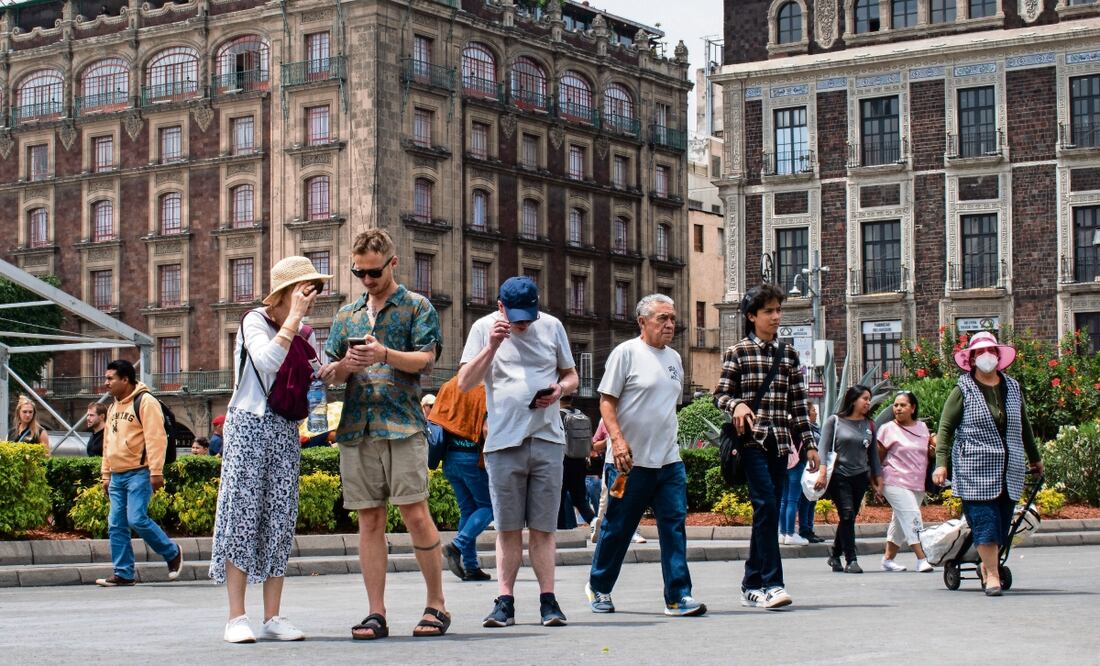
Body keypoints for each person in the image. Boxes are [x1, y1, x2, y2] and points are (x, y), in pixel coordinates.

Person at [319, 229, 450, 638]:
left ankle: (437, 605)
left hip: (404, 424)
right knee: (369, 520)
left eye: (374, 272)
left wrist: (384, 354)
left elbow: (426, 362)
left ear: (392, 263)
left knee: (415, 513)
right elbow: (329, 372)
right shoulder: (347, 315)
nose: (367, 280)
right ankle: (376, 612)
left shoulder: (417, 307)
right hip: (357, 427)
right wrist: (346, 366)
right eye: (359, 273)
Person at [210, 255, 330, 643]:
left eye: (313, 292)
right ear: (283, 293)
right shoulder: (253, 320)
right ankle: (236, 617)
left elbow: (318, 376)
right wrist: (293, 318)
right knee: (242, 514)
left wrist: (335, 369)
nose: (310, 298)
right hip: (248, 425)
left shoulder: (307, 332)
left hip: (285, 429)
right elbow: (265, 362)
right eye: (303, 291)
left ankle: (273, 616)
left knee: (280, 517)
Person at [457, 275, 578, 628]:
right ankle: (505, 601)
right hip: (502, 442)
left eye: (529, 317)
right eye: (517, 318)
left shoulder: (552, 326)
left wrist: (558, 390)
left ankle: (548, 601)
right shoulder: (482, 329)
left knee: (543, 528)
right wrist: (492, 346)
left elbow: (571, 375)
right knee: (508, 528)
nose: (524, 324)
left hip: (547, 438)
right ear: (500, 308)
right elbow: (465, 383)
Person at [586, 294, 706, 617]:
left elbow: (669, 407)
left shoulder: (675, 359)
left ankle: (679, 596)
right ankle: (599, 587)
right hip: (627, 463)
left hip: (668, 460)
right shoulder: (625, 354)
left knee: (674, 526)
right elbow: (606, 402)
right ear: (642, 321)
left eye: (672, 319)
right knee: (619, 527)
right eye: (662, 318)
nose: (670, 325)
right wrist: (618, 441)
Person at [714, 284, 819, 610]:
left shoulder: (788, 355)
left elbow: (799, 405)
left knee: (767, 511)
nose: (776, 317)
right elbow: (719, 395)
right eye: (768, 311)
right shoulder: (738, 352)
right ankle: (773, 583)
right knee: (767, 507)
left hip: (780, 444)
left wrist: (810, 445)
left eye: (778, 310)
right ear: (751, 316)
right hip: (750, 442)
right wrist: (736, 406)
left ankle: (751, 582)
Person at [932, 332, 1043, 596]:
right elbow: (946, 428)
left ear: (998, 355)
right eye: (980, 352)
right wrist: (941, 464)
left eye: (990, 351)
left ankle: (987, 565)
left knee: (1004, 520)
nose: (986, 356)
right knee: (985, 520)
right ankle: (992, 574)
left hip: (1009, 467)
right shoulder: (963, 389)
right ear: (971, 358)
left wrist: (1035, 457)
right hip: (974, 467)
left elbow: (1023, 425)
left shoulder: (1012, 387)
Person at [95, 359, 184, 588]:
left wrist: (156, 471)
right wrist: (106, 473)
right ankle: (123, 573)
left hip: (140, 472)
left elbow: (156, 438)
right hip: (117, 474)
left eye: (110, 378)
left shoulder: (145, 402)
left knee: (136, 518)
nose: (106, 383)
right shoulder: (113, 406)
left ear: (125, 379)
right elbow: (108, 441)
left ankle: (172, 552)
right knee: (116, 524)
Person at [815, 384, 883, 574]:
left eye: (869, 399)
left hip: (860, 476)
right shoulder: (835, 421)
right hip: (839, 475)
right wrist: (821, 472)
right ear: (853, 400)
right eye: (865, 399)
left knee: (849, 517)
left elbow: (874, 455)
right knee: (846, 514)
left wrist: (878, 478)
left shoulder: (869, 425)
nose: (868, 403)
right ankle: (851, 559)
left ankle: (835, 555)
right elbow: (823, 447)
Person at [432, 377, 492, 582]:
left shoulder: (448, 386)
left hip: (449, 458)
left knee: (468, 510)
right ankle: (457, 545)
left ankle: (472, 567)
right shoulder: (483, 389)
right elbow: (486, 428)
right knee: (489, 507)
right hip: (471, 458)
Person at [877, 391, 934, 573]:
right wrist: (876, 482)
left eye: (903, 405)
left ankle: (888, 559)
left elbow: (928, 450)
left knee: (901, 521)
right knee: (911, 516)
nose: (898, 408)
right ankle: (922, 558)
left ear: (913, 408)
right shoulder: (887, 429)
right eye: (896, 405)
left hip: (917, 482)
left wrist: (933, 450)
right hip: (893, 479)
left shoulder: (922, 428)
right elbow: (878, 457)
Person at [589, 418, 646, 546]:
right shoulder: (604, 420)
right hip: (613, 464)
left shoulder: (636, 415)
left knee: (630, 499)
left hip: (634, 462)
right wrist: (610, 440)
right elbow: (595, 444)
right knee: (607, 500)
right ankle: (600, 528)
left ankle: (632, 531)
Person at [557, 395, 596, 531]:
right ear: (571, 400)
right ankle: (594, 520)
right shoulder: (581, 415)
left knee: (559, 496)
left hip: (563, 460)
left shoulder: (558, 415)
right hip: (580, 460)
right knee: (579, 498)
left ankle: (560, 528)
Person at [798, 402, 824, 543]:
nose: (816, 413)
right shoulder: (806, 430)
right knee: (805, 500)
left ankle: (809, 528)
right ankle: (804, 529)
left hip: (815, 468)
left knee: (812, 499)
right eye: (813, 410)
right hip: (806, 468)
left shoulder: (816, 429)